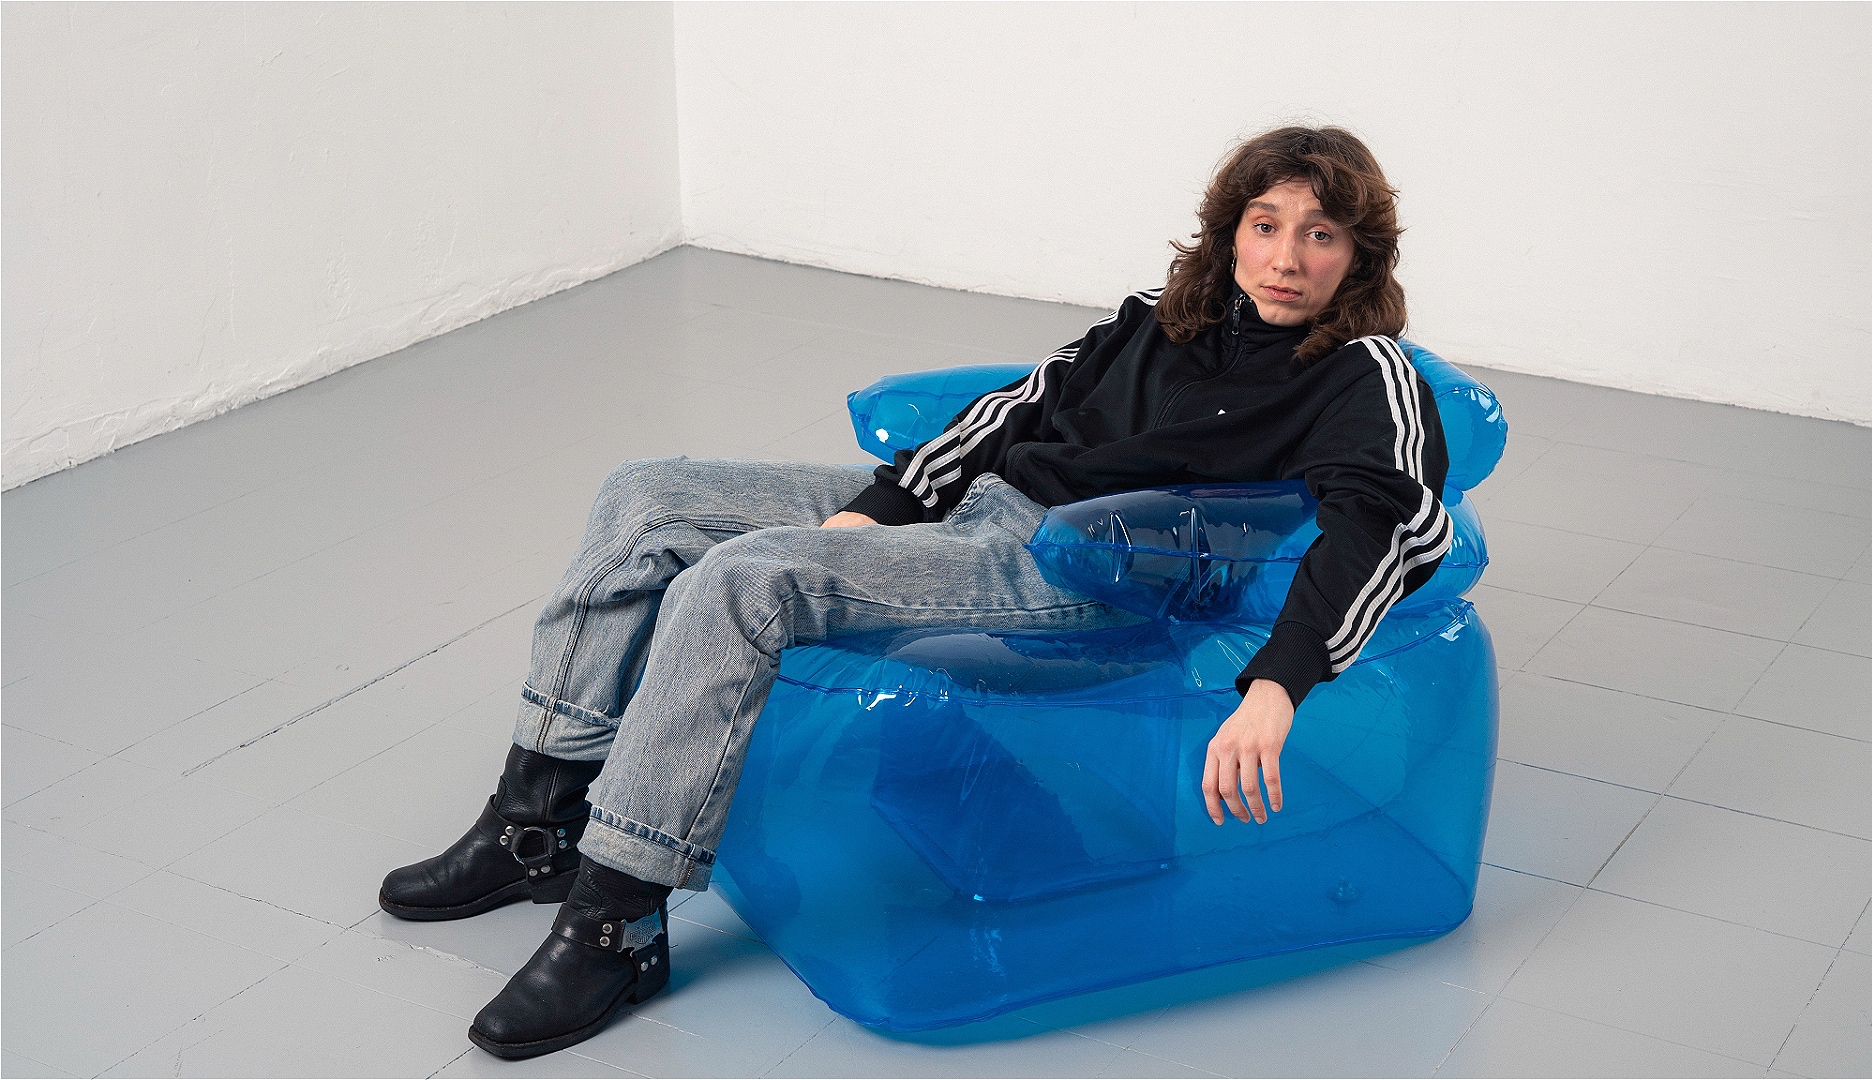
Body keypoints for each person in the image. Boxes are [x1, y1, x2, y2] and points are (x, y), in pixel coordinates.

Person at [378, 124, 1450, 1061]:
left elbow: (1389, 529)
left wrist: (1278, 682)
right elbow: (1017, 410)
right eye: (1266, 225)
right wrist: (880, 509)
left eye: (1320, 234)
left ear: (1359, 254)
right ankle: (534, 823)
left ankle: (617, 920)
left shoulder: (1367, 373)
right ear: (1230, 231)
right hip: (977, 505)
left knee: (743, 581)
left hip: (1076, 567)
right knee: (645, 499)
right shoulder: (1157, 317)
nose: (1286, 258)